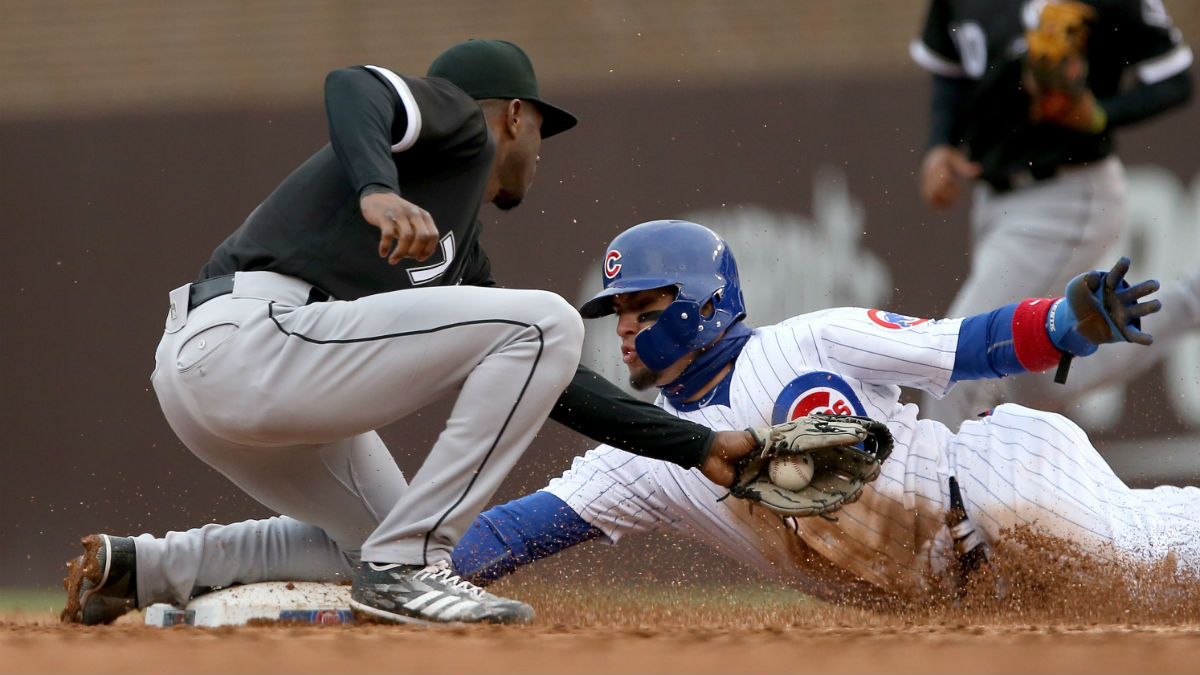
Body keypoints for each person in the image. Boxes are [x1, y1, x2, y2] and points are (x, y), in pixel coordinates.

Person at [60, 41, 757, 627]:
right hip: (250, 335)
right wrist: (375, 188)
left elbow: (555, 378)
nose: (540, 150)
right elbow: (354, 85)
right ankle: (406, 566)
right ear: (514, 116)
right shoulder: (457, 124)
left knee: (365, 546)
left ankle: (140, 569)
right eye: (542, 128)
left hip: (225, 372)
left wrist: (699, 447)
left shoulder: (462, 254)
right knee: (544, 319)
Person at [446, 219, 1200, 603]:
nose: (625, 326)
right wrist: (409, 573)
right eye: (617, 311)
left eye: (644, 303)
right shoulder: (643, 457)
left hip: (1008, 490)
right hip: (972, 594)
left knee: (1162, 561)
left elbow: (963, 346)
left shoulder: (810, 338)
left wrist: (1059, 328)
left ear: (707, 303)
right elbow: (514, 531)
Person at [908, 0, 1195, 425]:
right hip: (993, 199)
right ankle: (1192, 301)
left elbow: (1175, 79)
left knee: (958, 357)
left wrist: (1099, 114)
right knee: (1035, 378)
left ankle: (938, 488)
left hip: (1066, 193)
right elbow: (950, 73)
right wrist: (941, 144)